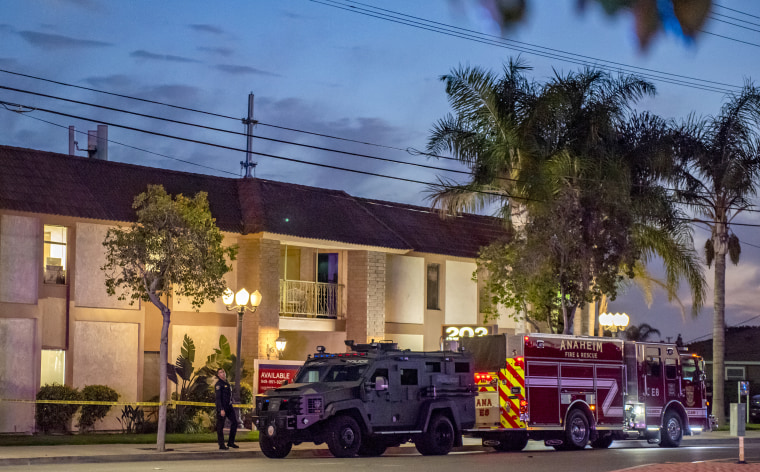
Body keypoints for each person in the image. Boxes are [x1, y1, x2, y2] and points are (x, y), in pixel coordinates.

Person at [215, 368, 238, 450]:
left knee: (235, 423)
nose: (223, 373)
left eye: (223, 371)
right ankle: (221, 445)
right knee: (220, 426)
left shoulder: (227, 383)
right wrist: (221, 409)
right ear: (218, 375)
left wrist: (232, 401)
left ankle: (231, 442)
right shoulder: (219, 384)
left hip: (229, 407)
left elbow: (229, 395)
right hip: (222, 407)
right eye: (220, 372)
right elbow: (218, 398)